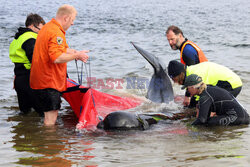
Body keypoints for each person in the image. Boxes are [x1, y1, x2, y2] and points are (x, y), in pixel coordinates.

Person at [30, 4, 89, 126]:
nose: (72, 23)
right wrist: (76, 56)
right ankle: (51, 143)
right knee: (50, 120)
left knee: (48, 117)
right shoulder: (56, 32)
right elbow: (56, 58)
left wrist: (74, 52)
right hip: (49, 82)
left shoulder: (47, 28)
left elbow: (57, 49)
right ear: (66, 18)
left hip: (41, 81)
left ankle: (46, 142)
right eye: (72, 20)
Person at [9, 13, 45, 114]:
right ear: (33, 26)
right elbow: (35, 60)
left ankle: (23, 128)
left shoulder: (17, 39)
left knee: (25, 113)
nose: (41, 33)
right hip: (30, 80)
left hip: (19, 80)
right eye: (40, 29)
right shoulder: (31, 38)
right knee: (44, 113)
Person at [167, 60, 242, 107]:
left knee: (211, 107)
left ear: (179, 75)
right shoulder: (190, 71)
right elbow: (191, 86)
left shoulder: (197, 75)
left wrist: (187, 110)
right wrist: (187, 97)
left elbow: (199, 97)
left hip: (232, 85)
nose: (174, 81)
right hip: (230, 81)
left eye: (174, 79)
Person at [182, 74, 249, 126]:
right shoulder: (208, 89)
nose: (187, 91)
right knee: (208, 122)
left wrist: (188, 127)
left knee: (208, 123)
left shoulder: (205, 96)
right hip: (243, 116)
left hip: (238, 118)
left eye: (187, 88)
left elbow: (202, 120)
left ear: (193, 87)